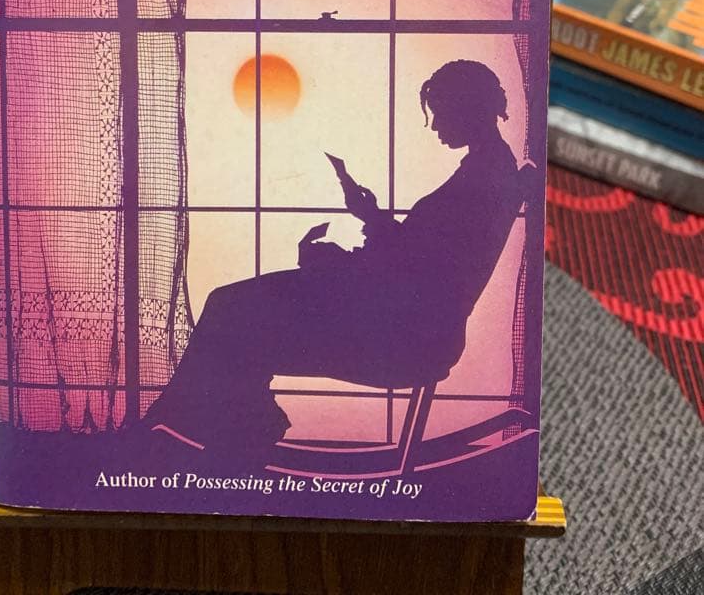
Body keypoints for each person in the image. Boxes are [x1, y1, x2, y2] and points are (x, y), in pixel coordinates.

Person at [142, 60, 523, 456]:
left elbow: (420, 275)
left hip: (402, 337)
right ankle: (220, 426)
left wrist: (335, 265)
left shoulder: (482, 180)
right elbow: (421, 258)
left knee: (232, 312)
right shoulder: (488, 171)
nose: (435, 124)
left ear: (467, 106)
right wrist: (369, 218)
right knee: (234, 309)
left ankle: (201, 432)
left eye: (441, 110)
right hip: (406, 325)